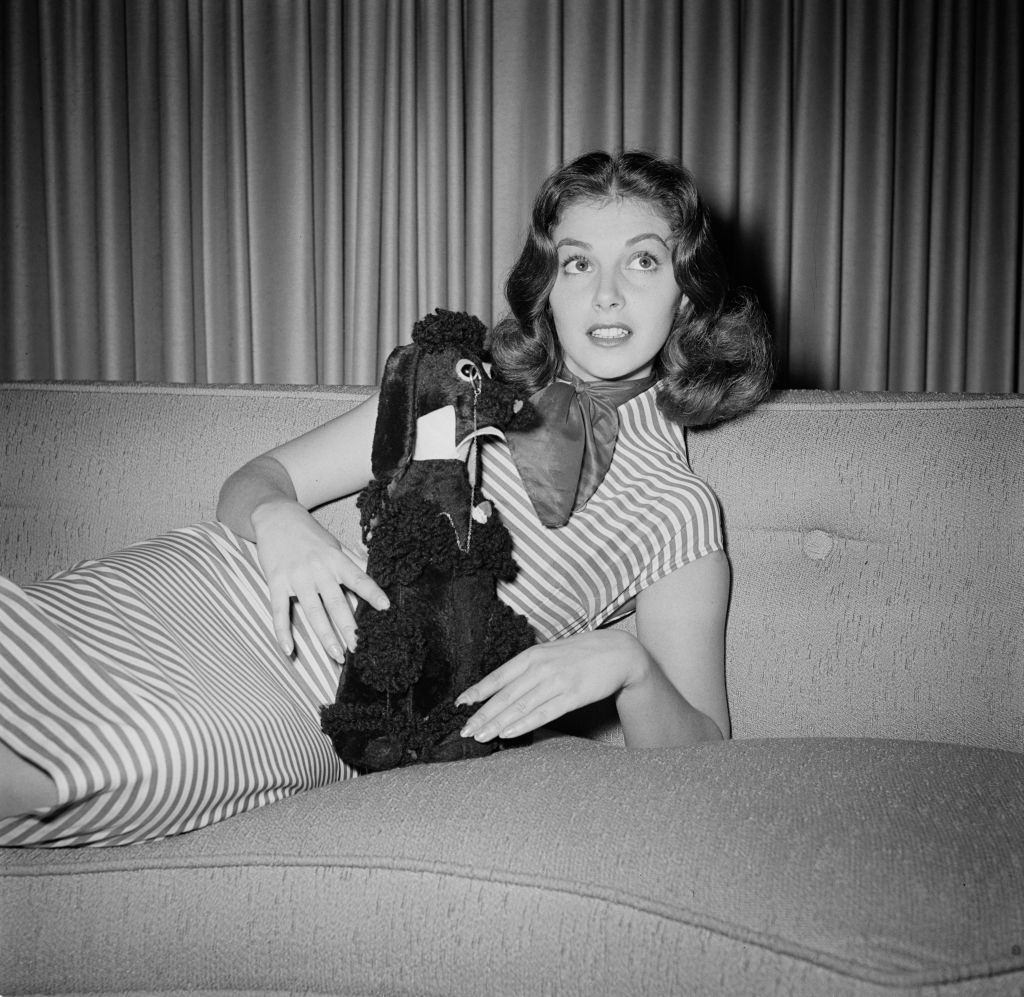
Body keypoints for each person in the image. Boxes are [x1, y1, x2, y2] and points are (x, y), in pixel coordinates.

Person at [0, 150, 773, 846]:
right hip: (229, 593)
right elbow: (255, 483)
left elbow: (703, 758)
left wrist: (629, 663)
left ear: (686, 293)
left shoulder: (675, 508)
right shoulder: (458, 382)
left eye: (642, 261)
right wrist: (281, 526)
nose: (605, 294)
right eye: (577, 264)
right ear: (549, 290)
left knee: (141, 761)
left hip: (335, 715)